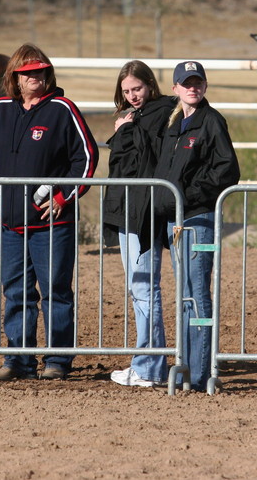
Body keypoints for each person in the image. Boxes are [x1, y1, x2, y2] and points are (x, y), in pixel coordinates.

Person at [0, 43, 98, 381]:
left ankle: (57, 360)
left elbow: (86, 158)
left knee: (55, 290)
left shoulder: (63, 109)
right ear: (15, 76)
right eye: (28, 73)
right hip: (11, 225)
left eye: (40, 72)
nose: (35, 78)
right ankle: (18, 360)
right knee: (15, 292)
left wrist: (63, 196)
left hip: (52, 224)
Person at [154, 61, 239, 391]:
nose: (193, 87)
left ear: (205, 85)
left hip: (198, 218)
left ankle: (202, 372)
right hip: (175, 220)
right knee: (186, 294)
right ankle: (188, 367)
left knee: (197, 293)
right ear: (175, 88)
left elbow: (227, 170)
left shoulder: (211, 121)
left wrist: (186, 195)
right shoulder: (175, 123)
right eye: (186, 83)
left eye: (198, 82)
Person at [103, 61, 176, 388]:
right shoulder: (135, 116)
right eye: (127, 91)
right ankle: (150, 364)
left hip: (144, 213)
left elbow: (147, 158)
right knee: (140, 288)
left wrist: (125, 130)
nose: (133, 95)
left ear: (150, 85)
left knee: (144, 288)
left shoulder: (159, 113)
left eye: (137, 89)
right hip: (129, 211)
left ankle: (148, 367)